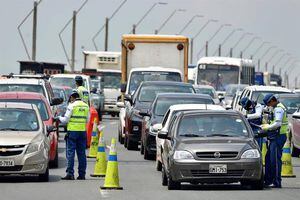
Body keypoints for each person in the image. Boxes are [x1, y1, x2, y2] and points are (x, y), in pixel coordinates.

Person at [55, 90, 89, 180]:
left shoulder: (72, 105)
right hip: (82, 132)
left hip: (73, 132)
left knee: (70, 153)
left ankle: (70, 173)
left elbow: (65, 120)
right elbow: (87, 120)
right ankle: (82, 174)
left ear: (72, 97)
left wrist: (58, 118)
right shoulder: (86, 106)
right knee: (81, 154)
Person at [261, 94, 288, 188]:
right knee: (268, 158)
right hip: (275, 136)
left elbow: (278, 123)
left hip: (278, 136)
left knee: (275, 160)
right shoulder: (276, 108)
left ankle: (277, 182)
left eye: (268, 104)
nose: (269, 106)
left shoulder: (278, 109)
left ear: (272, 100)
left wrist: (267, 127)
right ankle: (268, 180)